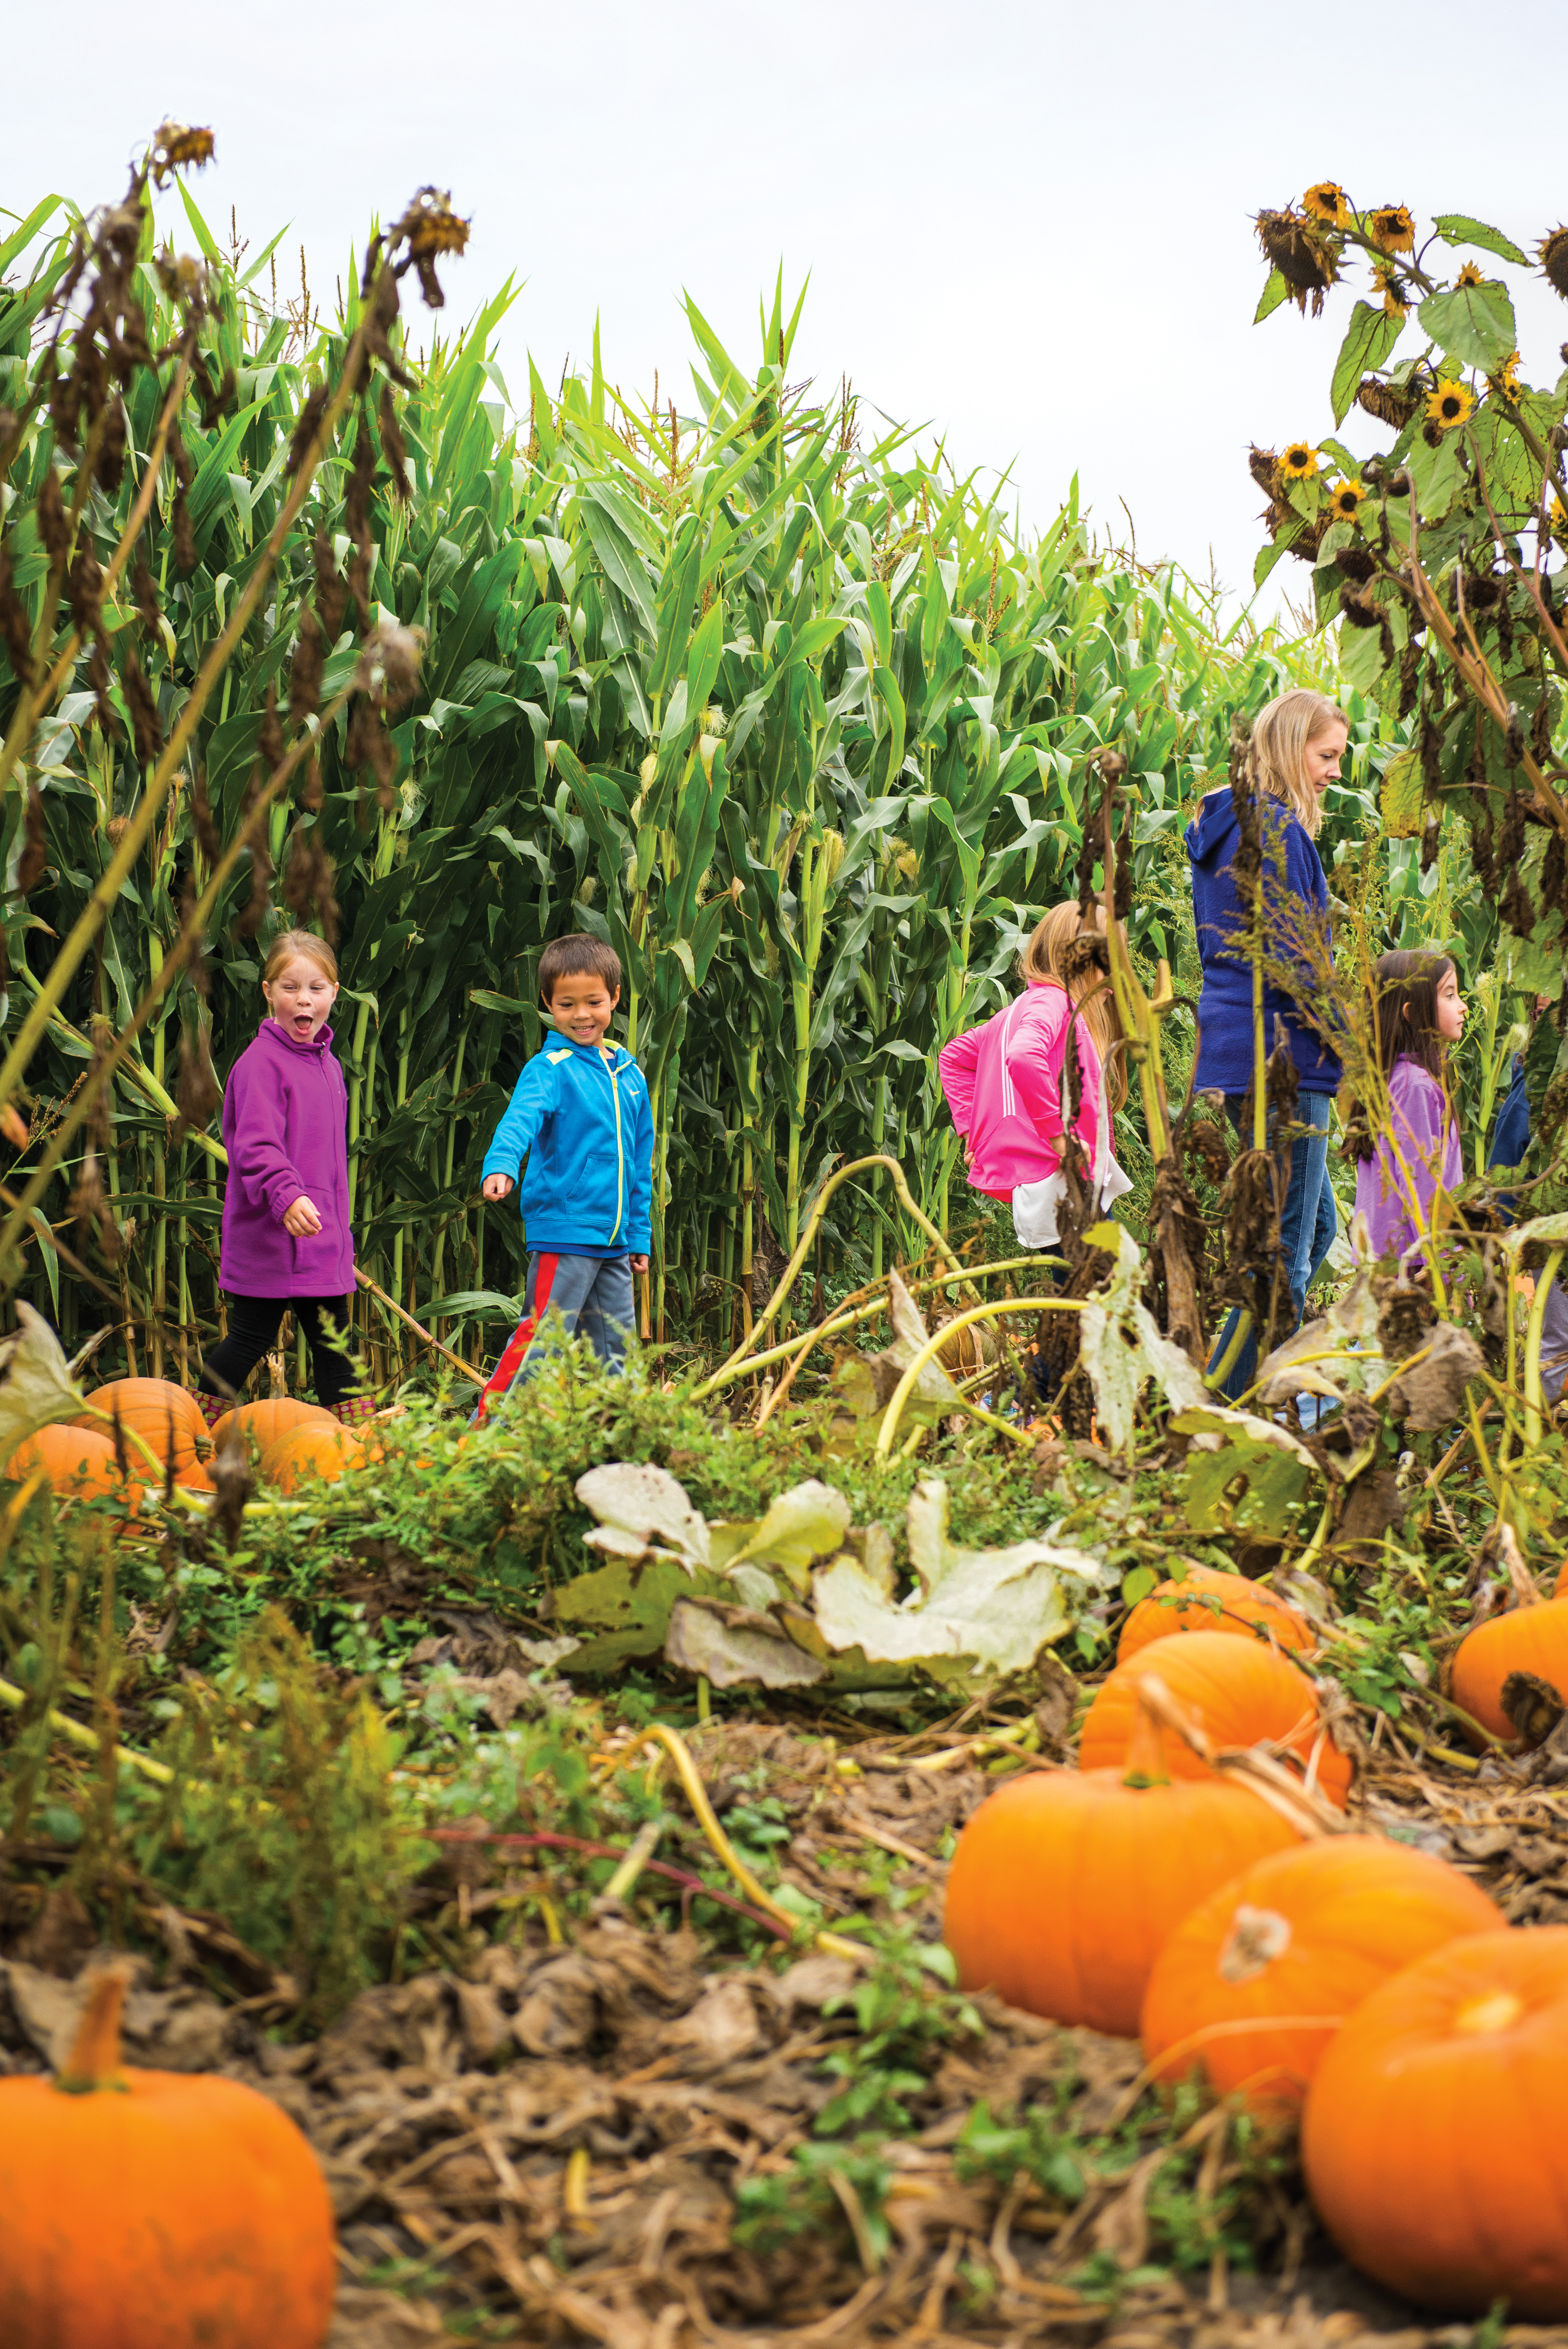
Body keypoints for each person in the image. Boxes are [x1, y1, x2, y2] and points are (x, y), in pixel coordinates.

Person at [1187, 688, 1347, 1398]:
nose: (1334, 773)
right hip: (1286, 1056)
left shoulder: (1222, 828)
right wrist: (1353, 1048)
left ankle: (1235, 1394)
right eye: (1326, 756)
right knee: (1282, 1249)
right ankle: (1221, 1407)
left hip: (1234, 1049)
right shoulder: (1278, 832)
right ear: (1290, 749)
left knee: (1305, 1235)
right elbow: (1298, 959)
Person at [196, 929, 367, 1427]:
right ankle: (190, 1427)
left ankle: (360, 1442)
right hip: (270, 1234)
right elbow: (253, 1145)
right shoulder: (260, 1064)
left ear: (335, 993)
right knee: (250, 1336)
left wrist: (333, 1229)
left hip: (320, 1237)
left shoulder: (328, 1064)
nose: (304, 999)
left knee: (335, 1341)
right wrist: (285, 1195)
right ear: (268, 991)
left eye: (317, 988)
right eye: (290, 987)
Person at [475, 936, 652, 1415]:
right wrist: (501, 1164)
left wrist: (639, 1236)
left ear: (615, 998)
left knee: (618, 1353)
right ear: (548, 1005)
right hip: (566, 1233)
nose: (581, 1015)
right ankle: (481, 1439)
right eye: (566, 1004)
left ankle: (620, 1443)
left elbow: (639, 1164)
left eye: (594, 1002)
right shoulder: (550, 1068)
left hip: (614, 1242)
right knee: (543, 1339)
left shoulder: (630, 1077)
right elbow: (520, 1119)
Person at [937, 900, 1131, 1255]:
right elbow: (1024, 1057)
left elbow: (953, 1059)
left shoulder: (1013, 1013)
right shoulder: (1053, 1004)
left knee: (1083, 1293)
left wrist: (972, 1132)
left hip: (1058, 1186)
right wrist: (1060, 1138)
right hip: (1064, 1187)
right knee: (1096, 1293)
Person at [1353, 950, 1463, 1260]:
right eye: (1450, 995)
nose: (1463, 1006)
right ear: (1412, 1014)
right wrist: (1447, 1263)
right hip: (1414, 1267)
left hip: (1396, 1259)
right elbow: (1422, 1185)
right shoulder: (1415, 1086)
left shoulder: (1397, 1079)